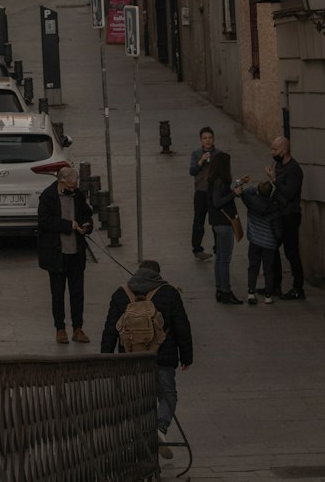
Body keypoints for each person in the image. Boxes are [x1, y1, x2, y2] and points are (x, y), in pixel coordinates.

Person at [100, 258, 193, 460]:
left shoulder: (120, 294)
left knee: (138, 397)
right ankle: (159, 428)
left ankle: (139, 438)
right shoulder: (170, 293)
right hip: (162, 356)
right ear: (158, 275)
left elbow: (110, 329)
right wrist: (187, 356)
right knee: (168, 395)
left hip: (131, 357)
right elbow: (182, 327)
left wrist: (106, 357)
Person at [36, 164, 94, 344]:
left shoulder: (78, 195)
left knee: (77, 293)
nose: (73, 189)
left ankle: (78, 328)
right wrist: (69, 225)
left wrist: (86, 226)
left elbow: (87, 214)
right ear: (61, 183)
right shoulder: (48, 196)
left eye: (74, 185)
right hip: (56, 254)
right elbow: (45, 222)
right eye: (70, 186)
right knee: (58, 293)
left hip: (76, 253)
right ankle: (60, 328)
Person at [267, 135, 304, 300]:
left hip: (290, 215)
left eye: (275, 149)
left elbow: (288, 194)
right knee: (272, 247)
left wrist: (274, 180)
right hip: (279, 214)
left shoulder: (294, 169)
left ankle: (298, 288)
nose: (272, 152)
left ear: (284, 151)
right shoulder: (279, 164)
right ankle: (275, 285)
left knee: (291, 252)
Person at [208, 151, 244, 303]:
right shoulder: (219, 181)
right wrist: (234, 194)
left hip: (217, 223)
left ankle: (220, 289)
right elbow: (217, 202)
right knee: (224, 259)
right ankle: (225, 291)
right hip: (223, 223)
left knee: (220, 259)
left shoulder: (213, 179)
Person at [241, 180, 282, 303]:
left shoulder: (251, 203)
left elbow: (244, 192)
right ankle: (268, 296)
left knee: (253, 267)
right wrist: (276, 242)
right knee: (268, 270)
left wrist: (255, 189)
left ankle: (251, 293)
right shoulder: (274, 208)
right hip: (269, 244)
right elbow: (278, 231)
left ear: (258, 192)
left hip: (254, 241)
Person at [188, 126, 217, 260]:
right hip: (200, 192)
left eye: (210, 138)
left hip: (215, 192)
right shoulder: (196, 153)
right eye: (205, 138)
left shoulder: (219, 154)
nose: (208, 140)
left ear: (213, 139)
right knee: (199, 220)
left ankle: (218, 248)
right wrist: (201, 161)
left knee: (216, 221)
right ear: (201, 140)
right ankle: (197, 249)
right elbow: (192, 171)